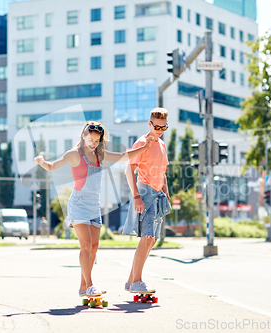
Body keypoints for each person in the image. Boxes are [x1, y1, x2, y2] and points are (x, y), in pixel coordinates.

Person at [34, 121, 153, 298]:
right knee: (86, 246)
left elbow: (123, 155)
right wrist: (41, 162)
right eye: (91, 139)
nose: (93, 143)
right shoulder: (74, 154)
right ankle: (90, 285)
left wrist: (145, 147)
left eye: (97, 140)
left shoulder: (100, 154)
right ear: (83, 135)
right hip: (79, 204)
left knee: (95, 247)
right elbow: (52, 166)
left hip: (94, 205)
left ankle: (83, 287)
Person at [122, 108, 172, 294]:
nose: (159, 130)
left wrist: (167, 194)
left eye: (163, 127)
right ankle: (137, 281)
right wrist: (136, 196)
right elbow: (129, 169)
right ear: (149, 124)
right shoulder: (143, 142)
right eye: (156, 126)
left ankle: (130, 281)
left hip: (158, 195)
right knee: (146, 238)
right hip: (144, 193)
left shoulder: (162, 145)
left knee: (152, 240)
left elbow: (163, 173)